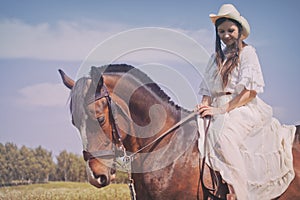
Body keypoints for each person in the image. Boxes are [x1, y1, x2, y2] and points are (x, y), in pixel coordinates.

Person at [197, 4, 296, 200]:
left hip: (241, 106)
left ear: (240, 31)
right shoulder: (215, 57)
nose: (226, 35)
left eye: (230, 30)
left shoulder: (248, 53)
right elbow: (207, 89)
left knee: (225, 135)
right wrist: (204, 104)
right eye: (221, 31)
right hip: (218, 106)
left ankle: (239, 192)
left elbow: (250, 92)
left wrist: (223, 110)